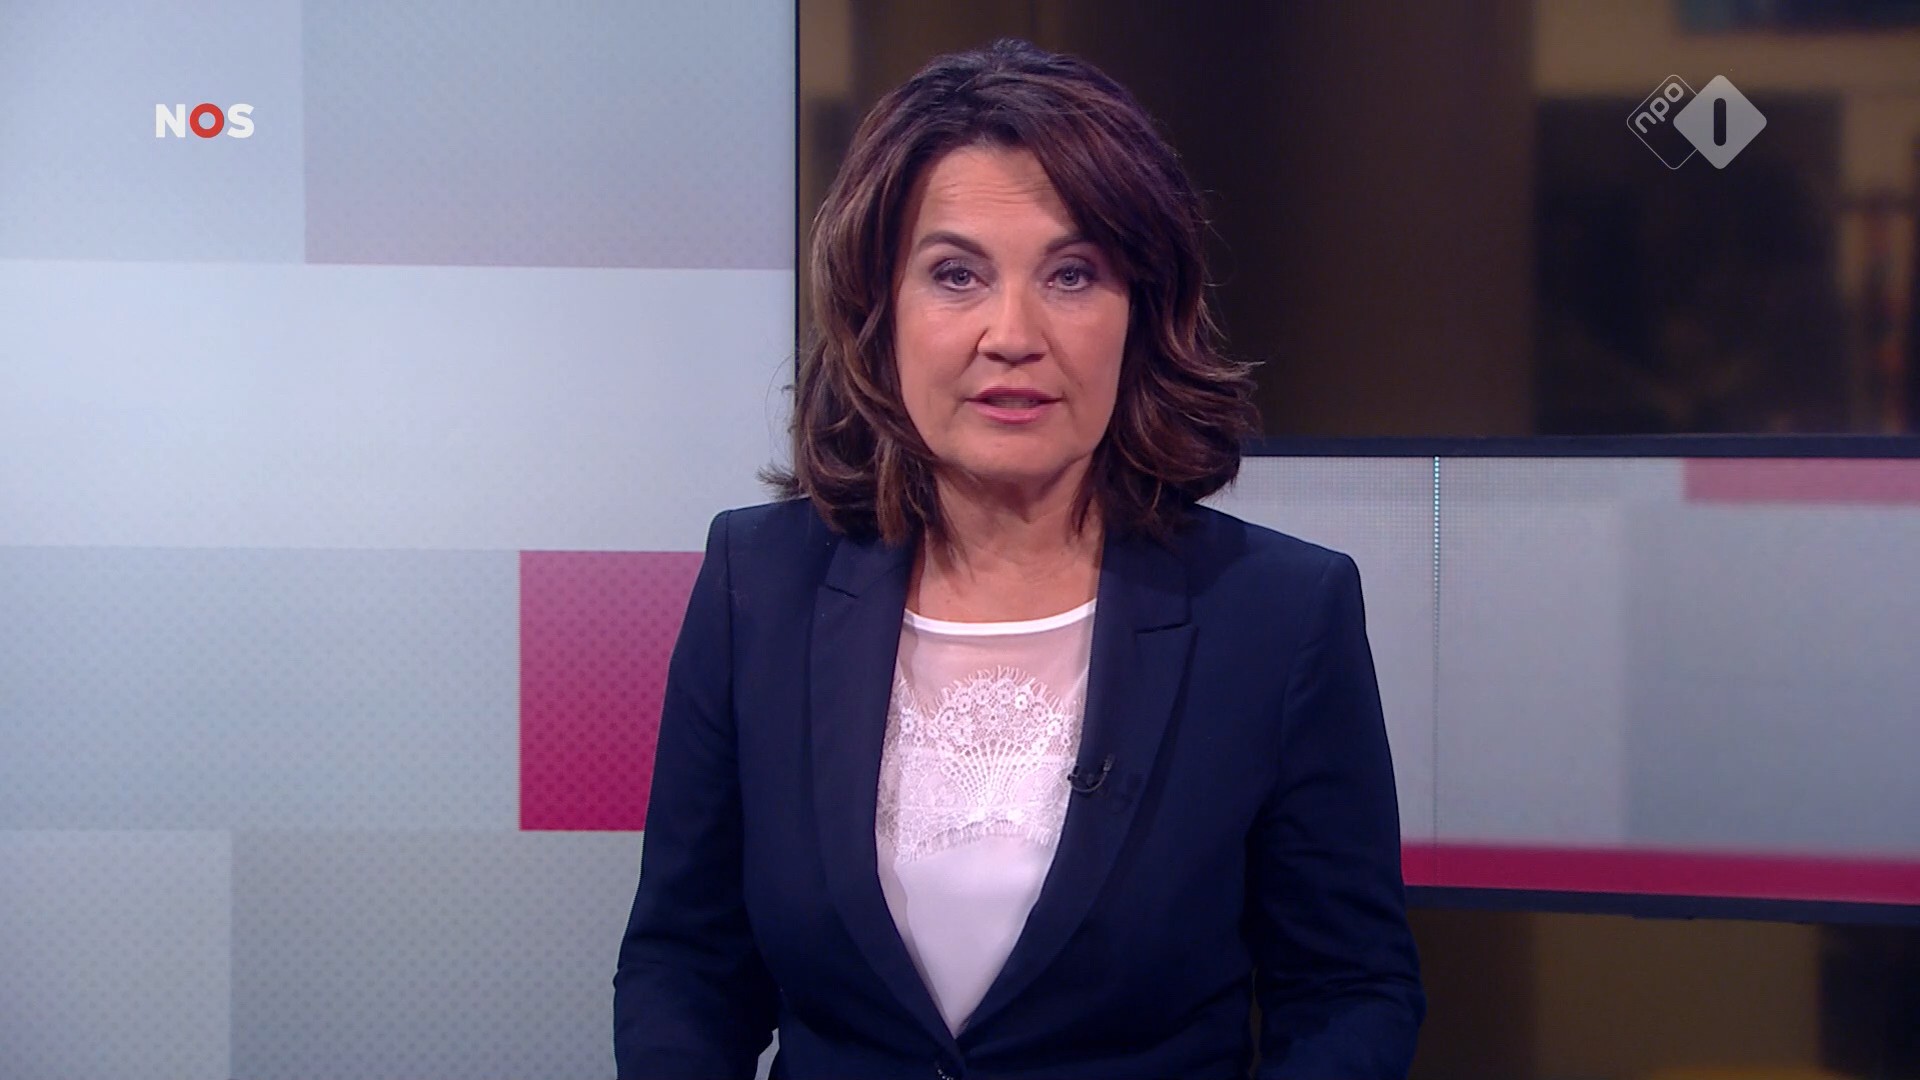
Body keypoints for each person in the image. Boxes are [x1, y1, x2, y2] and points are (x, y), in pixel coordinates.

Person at [614, 38, 1424, 1080]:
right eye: (956, 275)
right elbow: (686, 965)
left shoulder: (1278, 614)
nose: (1013, 334)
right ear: (879, 311)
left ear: (1141, 312)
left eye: (1072, 274)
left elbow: (1347, 993)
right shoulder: (757, 584)